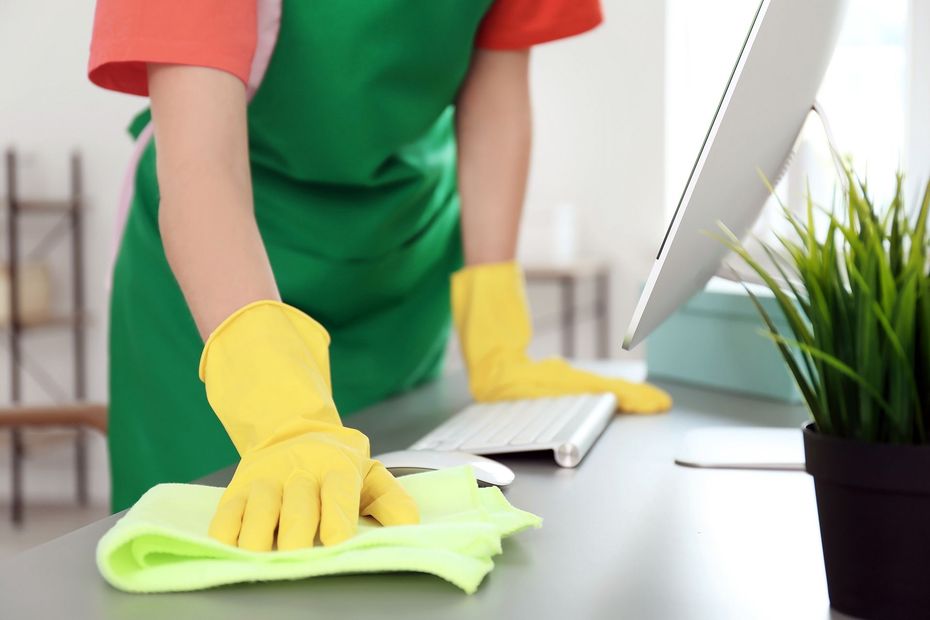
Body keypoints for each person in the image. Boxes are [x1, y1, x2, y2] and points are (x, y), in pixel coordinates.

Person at [88, 0, 672, 551]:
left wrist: (498, 340)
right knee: (213, 551)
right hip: (218, 289)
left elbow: (496, 76)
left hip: (396, 264)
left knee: (391, 546)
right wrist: (281, 413)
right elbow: (201, 166)